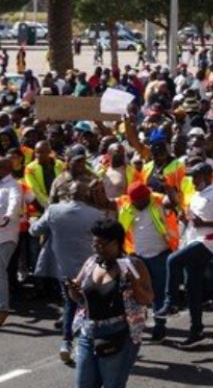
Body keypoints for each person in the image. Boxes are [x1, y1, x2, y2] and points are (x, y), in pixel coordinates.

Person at [68, 218, 153, 388]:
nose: (97, 248)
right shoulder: (91, 262)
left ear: (116, 243)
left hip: (118, 335)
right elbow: (78, 298)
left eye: (101, 244)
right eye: (94, 244)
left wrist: (134, 283)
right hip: (88, 332)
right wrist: (72, 290)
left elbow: (147, 298)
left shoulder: (132, 265)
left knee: (112, 384)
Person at [157, 159, 213, 347]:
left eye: (196, 177)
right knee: (193, 289)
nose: (192, 180)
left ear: (207, 176)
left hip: (209, 242)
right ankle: (196, 330)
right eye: (191, 177)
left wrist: (204, 223)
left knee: (173, 261)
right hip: (193, 240)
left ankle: (171, 302)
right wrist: (185, 217)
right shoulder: (197, 196)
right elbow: (194, 219)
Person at [30, 181, 108, 365]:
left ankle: (66, 343)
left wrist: (34, 220)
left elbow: (35, 231)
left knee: (70, 305)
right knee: (92, 306)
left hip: (64, 269)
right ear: (86, 195)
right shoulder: (96, 214)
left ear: (69, 195)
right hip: (90, 269)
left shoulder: (54, 211)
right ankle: (89, 343)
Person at [115, 182, 178, 342]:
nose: (139, 203)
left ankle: (159, 327)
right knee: (137, 293)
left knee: (158, 294)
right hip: (137, 258)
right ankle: (139, 323)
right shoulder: (128, 207)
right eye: (135, 201)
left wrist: (170, 188)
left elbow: (173, 202)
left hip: (159, 256)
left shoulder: (157, 202)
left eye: (142, 200)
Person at [0, 150, 22, 327]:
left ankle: (3, 308)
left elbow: (15, 201)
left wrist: (9, 215)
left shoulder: (13, 185)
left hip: (6, 236)